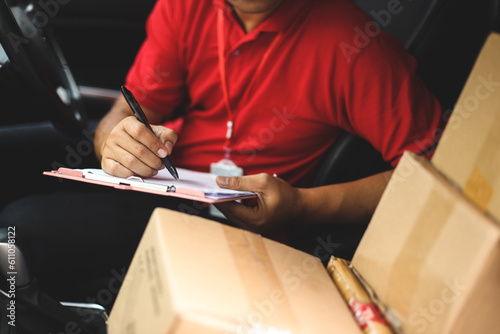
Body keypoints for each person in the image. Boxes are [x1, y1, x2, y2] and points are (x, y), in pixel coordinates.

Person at [0, 0, 443, 304]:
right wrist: (115, 141)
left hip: (257, 238)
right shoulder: (187, 8)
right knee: (16, 232)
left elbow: (435, 173)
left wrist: (305, 206)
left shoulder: (357, 44)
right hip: (166, 194)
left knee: (24, 233)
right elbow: (127, 110)